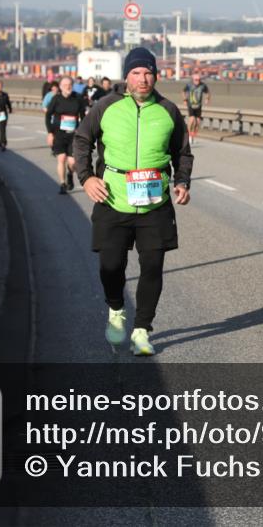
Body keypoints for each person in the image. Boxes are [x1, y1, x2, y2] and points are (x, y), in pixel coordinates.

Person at [75, 47, 193, 356]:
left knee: (152, 266)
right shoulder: (106, 106)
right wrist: (86, 177)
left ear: (156, 75)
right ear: (126, 76)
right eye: (137, 73)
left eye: (148, 73)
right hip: (113, 198)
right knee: (110, 266)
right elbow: (82, 140)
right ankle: (116, 309)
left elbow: (183, 152)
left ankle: (142, 330)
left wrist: (182, 181)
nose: (143, 79)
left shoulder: (168, 110)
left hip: (154, 202)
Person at [45, 76, 87, 194]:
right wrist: (50, 133)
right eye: (65, 85)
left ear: (72, 86)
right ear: (60, 87)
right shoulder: (56, 99)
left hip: (73, 134)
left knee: (72, 162)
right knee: (61, 158)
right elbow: (48, 116)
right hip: (58, 134)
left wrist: (83, 132)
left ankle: (70, 174)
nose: (67, 87)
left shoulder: (78, 98)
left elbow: (83, 116)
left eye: (69, 85)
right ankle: (63, 183)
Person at [183, 73, 211, 145]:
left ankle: (193, 137)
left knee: (198, 122)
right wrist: (185, 99)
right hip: (191, 105)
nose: (198, 81)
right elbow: (183, 91)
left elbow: (208, 92)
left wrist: (207, 99)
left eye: (199, 80)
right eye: (196, 80)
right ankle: (188, 135)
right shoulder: (189, 85)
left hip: (198, 105)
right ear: (193, 80)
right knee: (192, 119)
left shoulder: (202, 85)